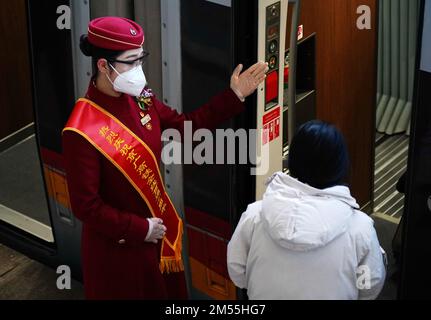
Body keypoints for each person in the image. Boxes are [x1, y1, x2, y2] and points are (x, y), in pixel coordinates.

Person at [62, 16, 268, 300]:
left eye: (140, 60)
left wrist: (234, 95)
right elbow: (86, 207)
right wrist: (140, 228)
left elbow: (184, 124)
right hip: (118, 251)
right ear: (103, 65)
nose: (138, 70)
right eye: (130, 62)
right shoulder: (80, 129)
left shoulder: (140, 96)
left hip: (156, 238)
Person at [227, 120, 386, 300]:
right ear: (341, 165)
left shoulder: (256, 215)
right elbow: (369, 286)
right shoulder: (360, 229)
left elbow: (237, 270)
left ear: (293, 161)